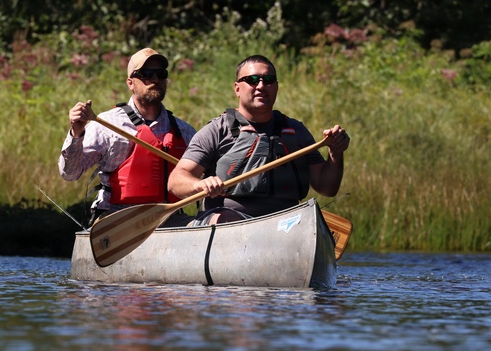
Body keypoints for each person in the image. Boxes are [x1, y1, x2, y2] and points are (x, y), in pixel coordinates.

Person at [168, 54, 350, 224]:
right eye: (252, 80)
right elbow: (176, 181)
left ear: (276, 86)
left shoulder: (296, 131)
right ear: (237, 89)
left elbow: (327, 188)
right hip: (228, 220)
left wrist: (335, 154)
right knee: (226, 218)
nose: (261, 86)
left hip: (284, 223)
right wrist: (201, 184)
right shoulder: (217, 130)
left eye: (268, 80)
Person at [59, 48, 197, 225]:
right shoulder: (106, 125)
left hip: (168, 217)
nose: (155, 79)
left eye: (161, 74)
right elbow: (69, 173)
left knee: (207, 224)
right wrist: (76, 134)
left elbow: (204, 175)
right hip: (117, 220)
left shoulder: (184, 131)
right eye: (146, 74)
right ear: (130, 83)